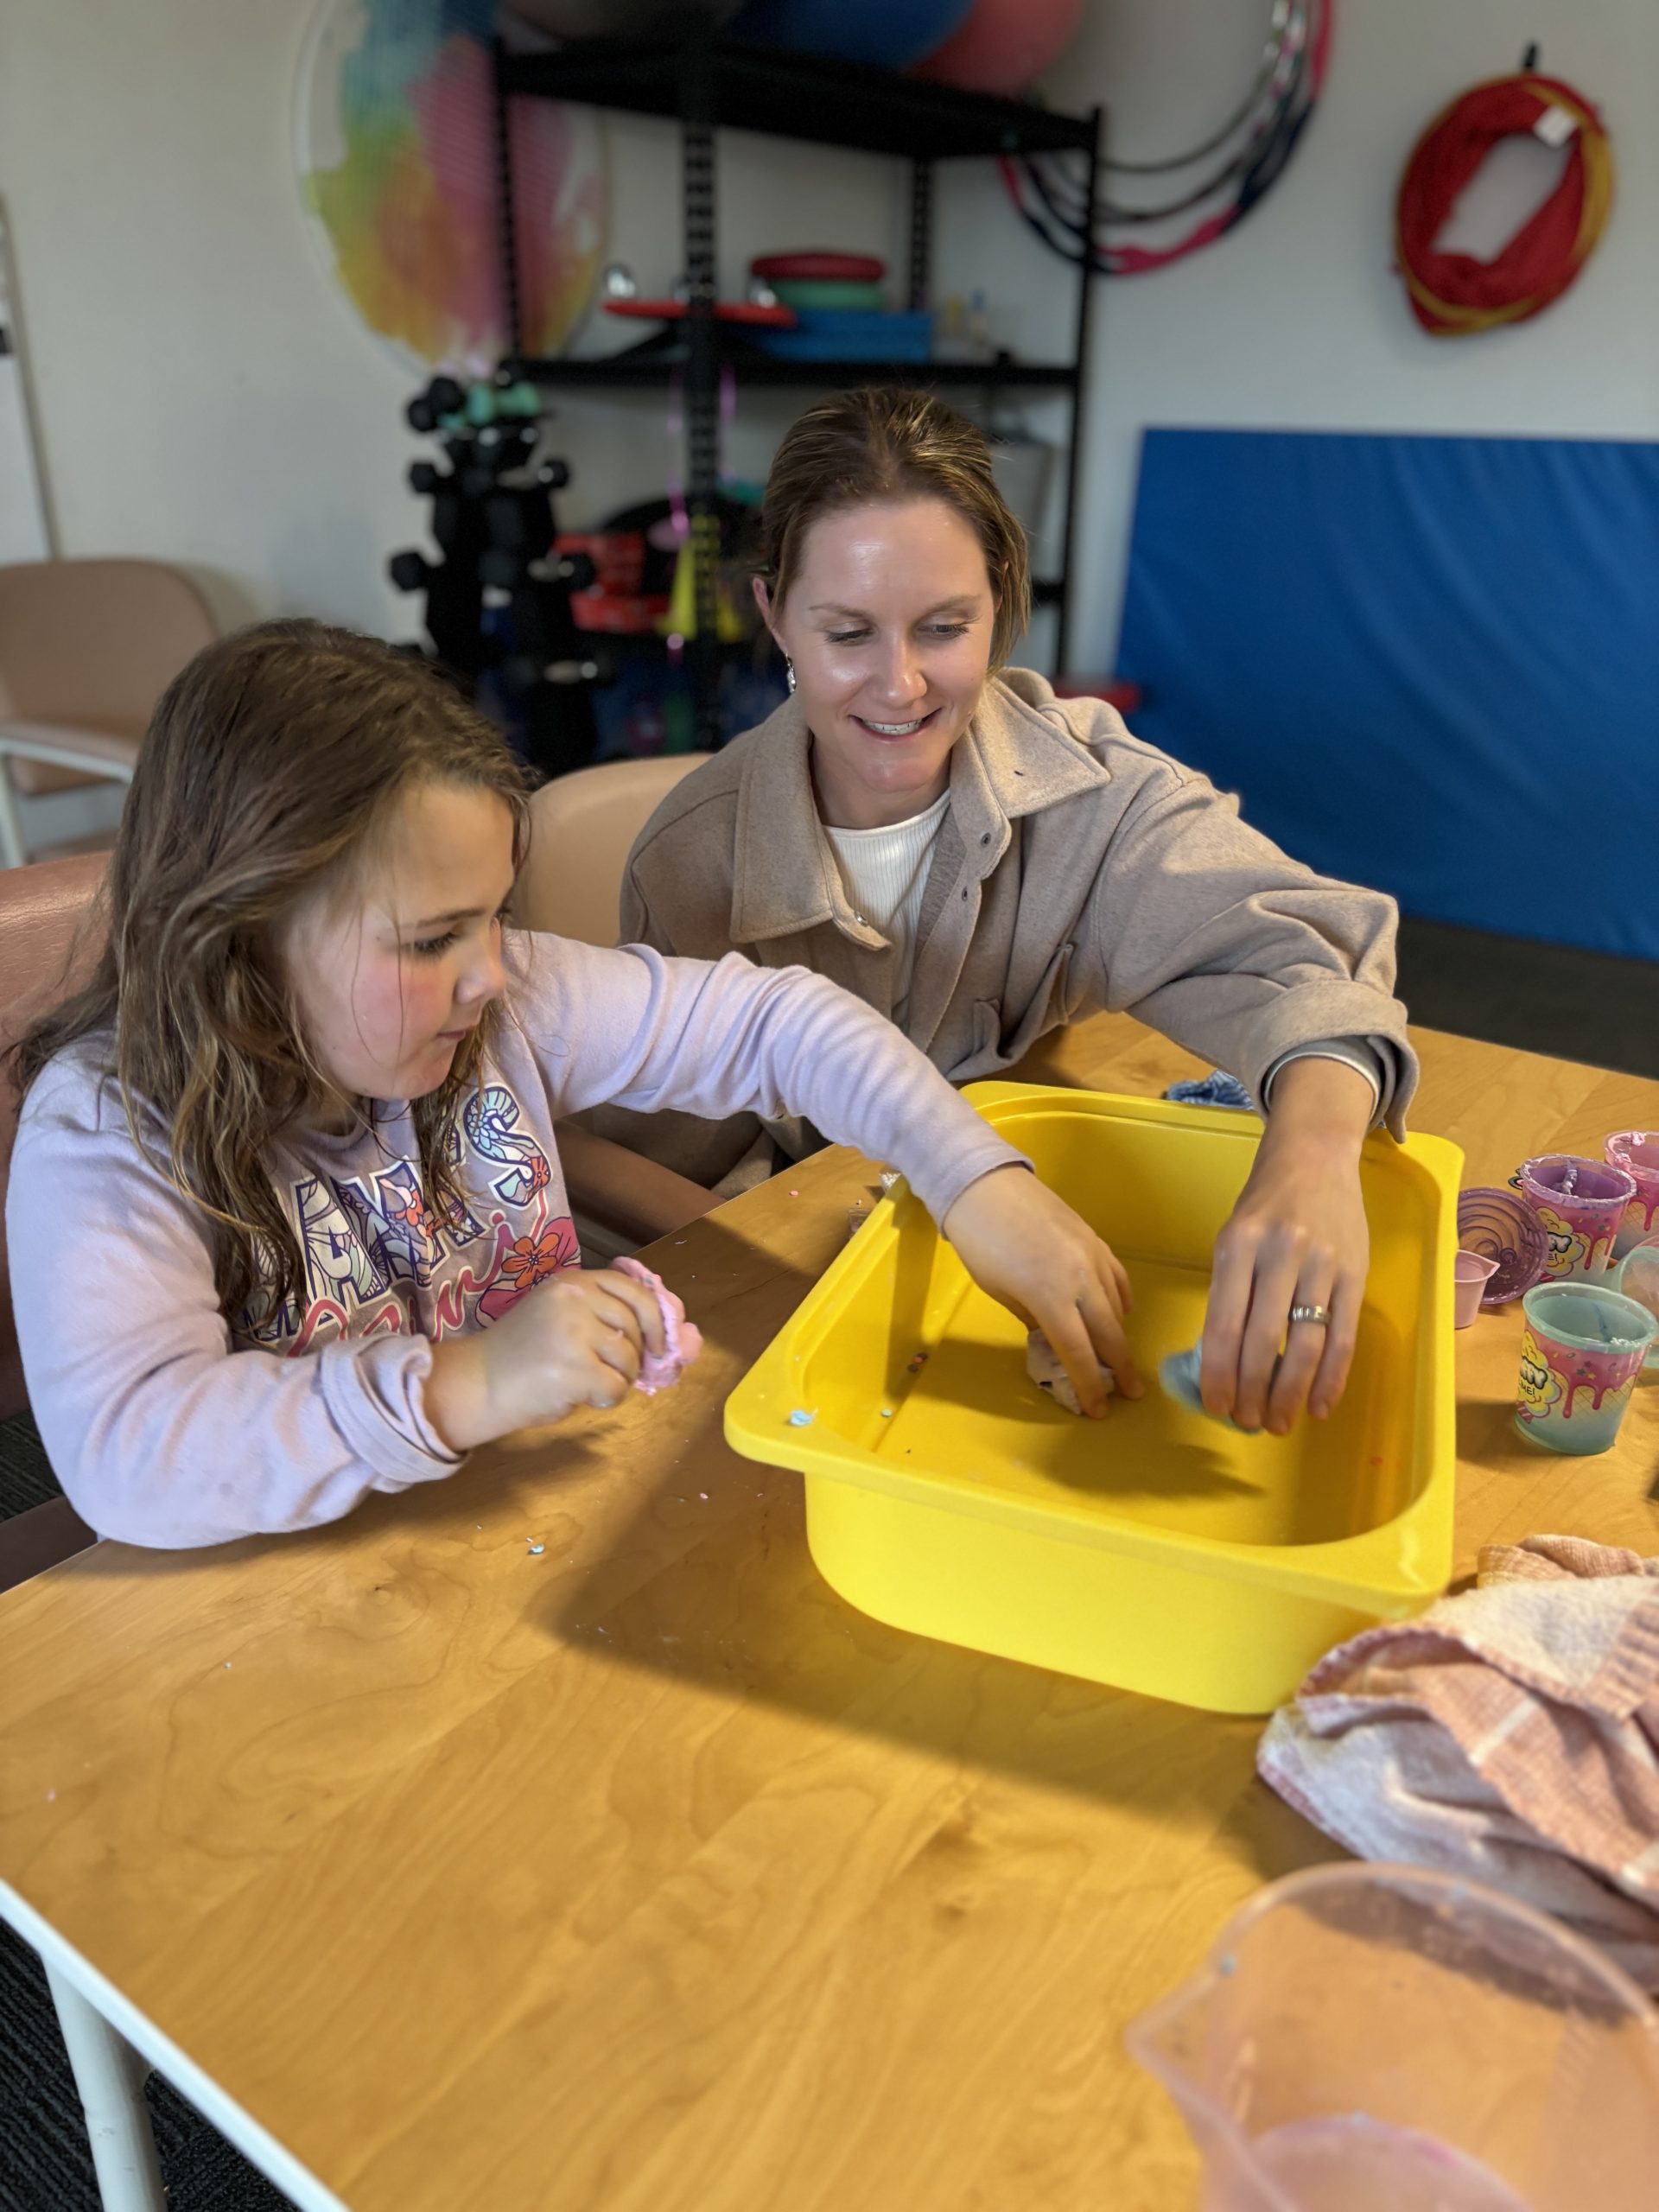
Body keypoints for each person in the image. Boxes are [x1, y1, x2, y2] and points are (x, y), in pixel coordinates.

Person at [6, 622, 1149, 1550]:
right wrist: (465, 1388)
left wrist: (976, 1181)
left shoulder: (506, 1003)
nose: (490, 974)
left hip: (508, 1529)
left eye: (496, 918)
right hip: (277, 1599)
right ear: (240, 934)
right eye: (430, 940)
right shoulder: (109, 1129)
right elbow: (129, 1453)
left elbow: (778, 1023)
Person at [603, 388, 1418, 1440]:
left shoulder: (1088, 790)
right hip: (801, 1317)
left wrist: (1310, 1163)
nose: (899, 685)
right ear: (773, 616)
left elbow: (1308, 953)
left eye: (945, 628)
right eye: (847, 632)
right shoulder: (692, 860)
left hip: (1003, 1259)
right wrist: (832, 1291)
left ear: (1002, 606)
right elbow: (630, 1165)